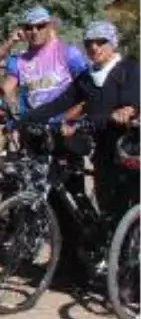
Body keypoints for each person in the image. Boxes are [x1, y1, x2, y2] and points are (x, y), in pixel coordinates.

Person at [24, 22, 141, 228]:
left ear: (113, 43)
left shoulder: (130, 70)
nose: (94, 48)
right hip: (102, 151)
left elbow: (132, 103)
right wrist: (25, 118)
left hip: (129, 149)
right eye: (89, 43)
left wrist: (128, 110)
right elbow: (59, 103)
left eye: (101, 42)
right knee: (109, 209)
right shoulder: (86, 78)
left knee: (129, 209)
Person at [0, 6, 89, 117]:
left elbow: (88, 88)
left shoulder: (68, 53)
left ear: (49, 27)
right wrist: (10, 108)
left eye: (40, 26)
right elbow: (7, 89)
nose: (34, 32)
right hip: (32, 124)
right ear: (23, 30)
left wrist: (69, 118)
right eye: (29, 27)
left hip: (64, 125)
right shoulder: (18, 60)